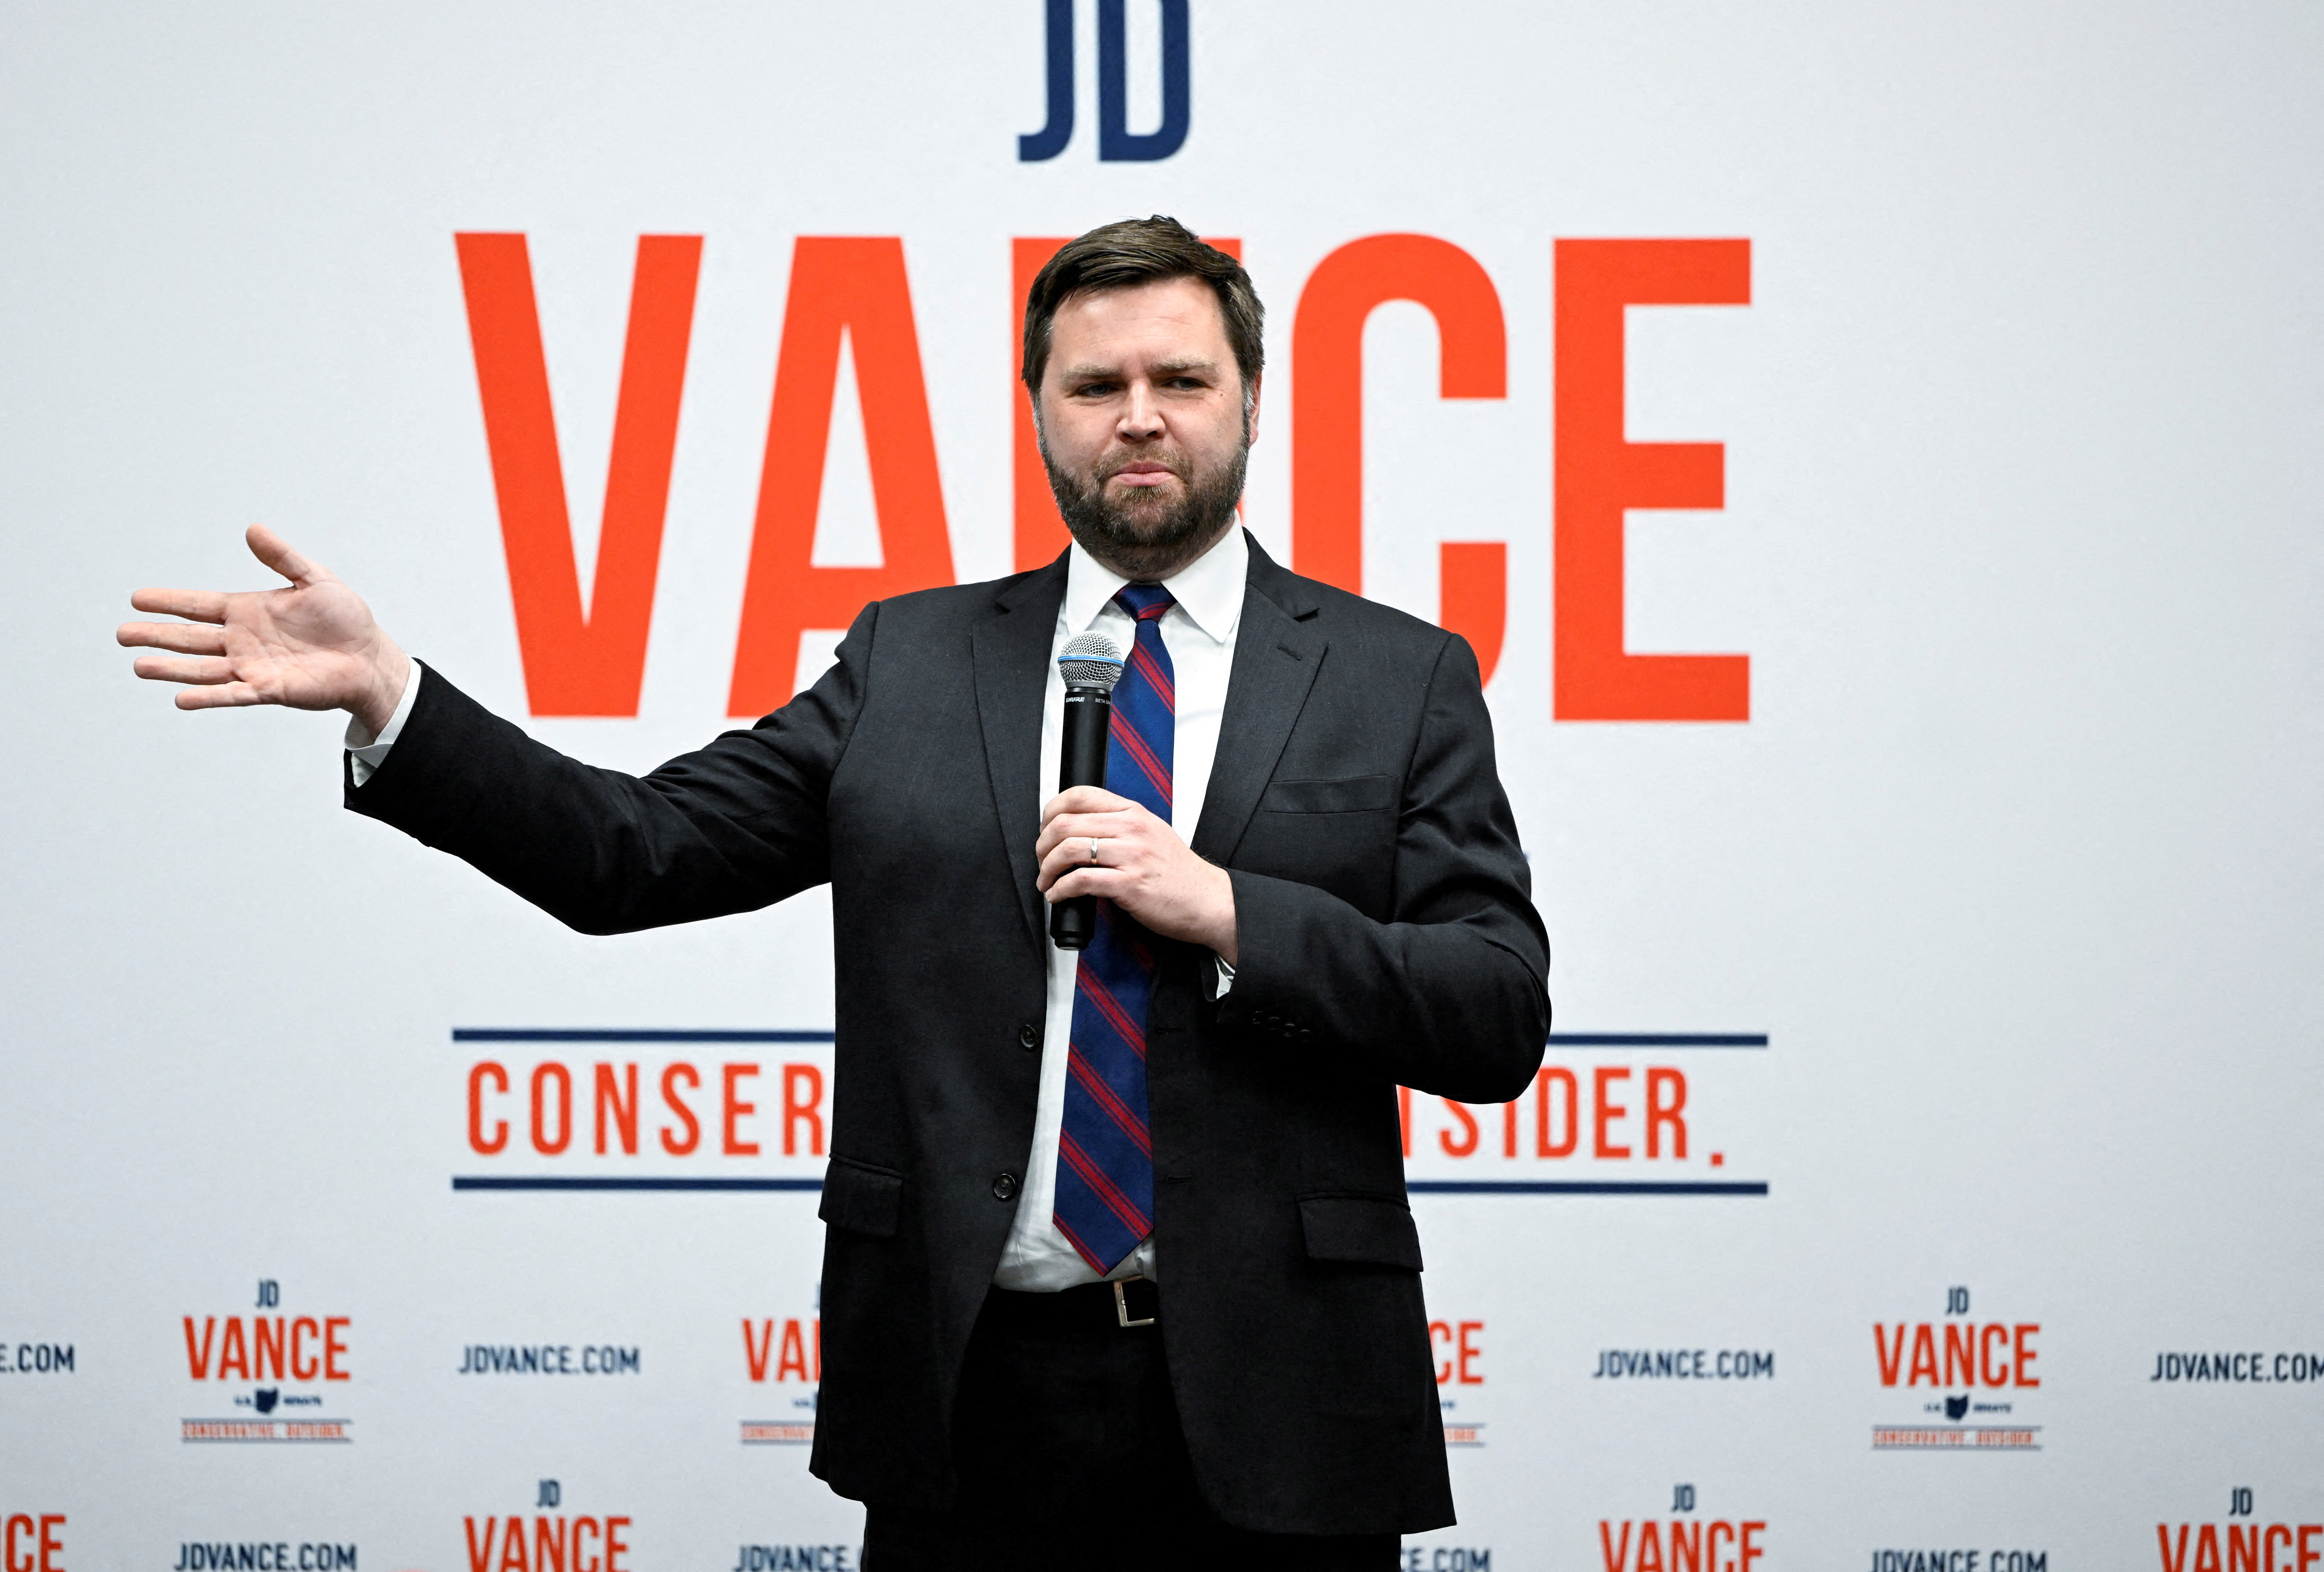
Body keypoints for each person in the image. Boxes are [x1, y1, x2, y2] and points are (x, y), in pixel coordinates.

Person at [120, 216, 1550, 1570]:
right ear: (1039, 407)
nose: (1139, 413)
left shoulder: (1394, 675)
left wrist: (1230, 908)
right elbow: (636, 851)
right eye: (1094, 381)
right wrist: (396, 699)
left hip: (1288, 1400)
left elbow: (1493, 1006)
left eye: (1181, 377)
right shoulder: (912, 664)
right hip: (972, 1395)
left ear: (1249, 398)